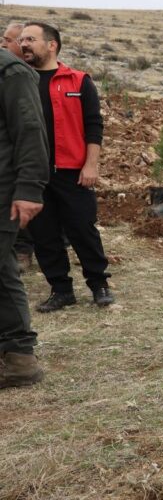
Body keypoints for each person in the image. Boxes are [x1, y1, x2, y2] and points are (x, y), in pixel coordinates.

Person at [18, 22, 114, 311]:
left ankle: (99, 285)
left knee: (83, 230)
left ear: (51, 45)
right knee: (44, 234)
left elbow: (94, 125)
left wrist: (91, 164)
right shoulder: (20, 81)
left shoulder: (78, 80)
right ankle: (61, 290)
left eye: (30, 39)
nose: (24, 44)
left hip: (72, 171)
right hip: (33, 173)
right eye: (21, 39)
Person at [0, 49, 49, 388]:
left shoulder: (10, 71)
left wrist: (30, 188)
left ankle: (19, 357)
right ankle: (17, 356)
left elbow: (30, 130)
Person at [1, 22, 35, 272]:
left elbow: (29, 130)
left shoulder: (18, 76)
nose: (5, 43)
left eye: (10, 40)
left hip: (29, 165)